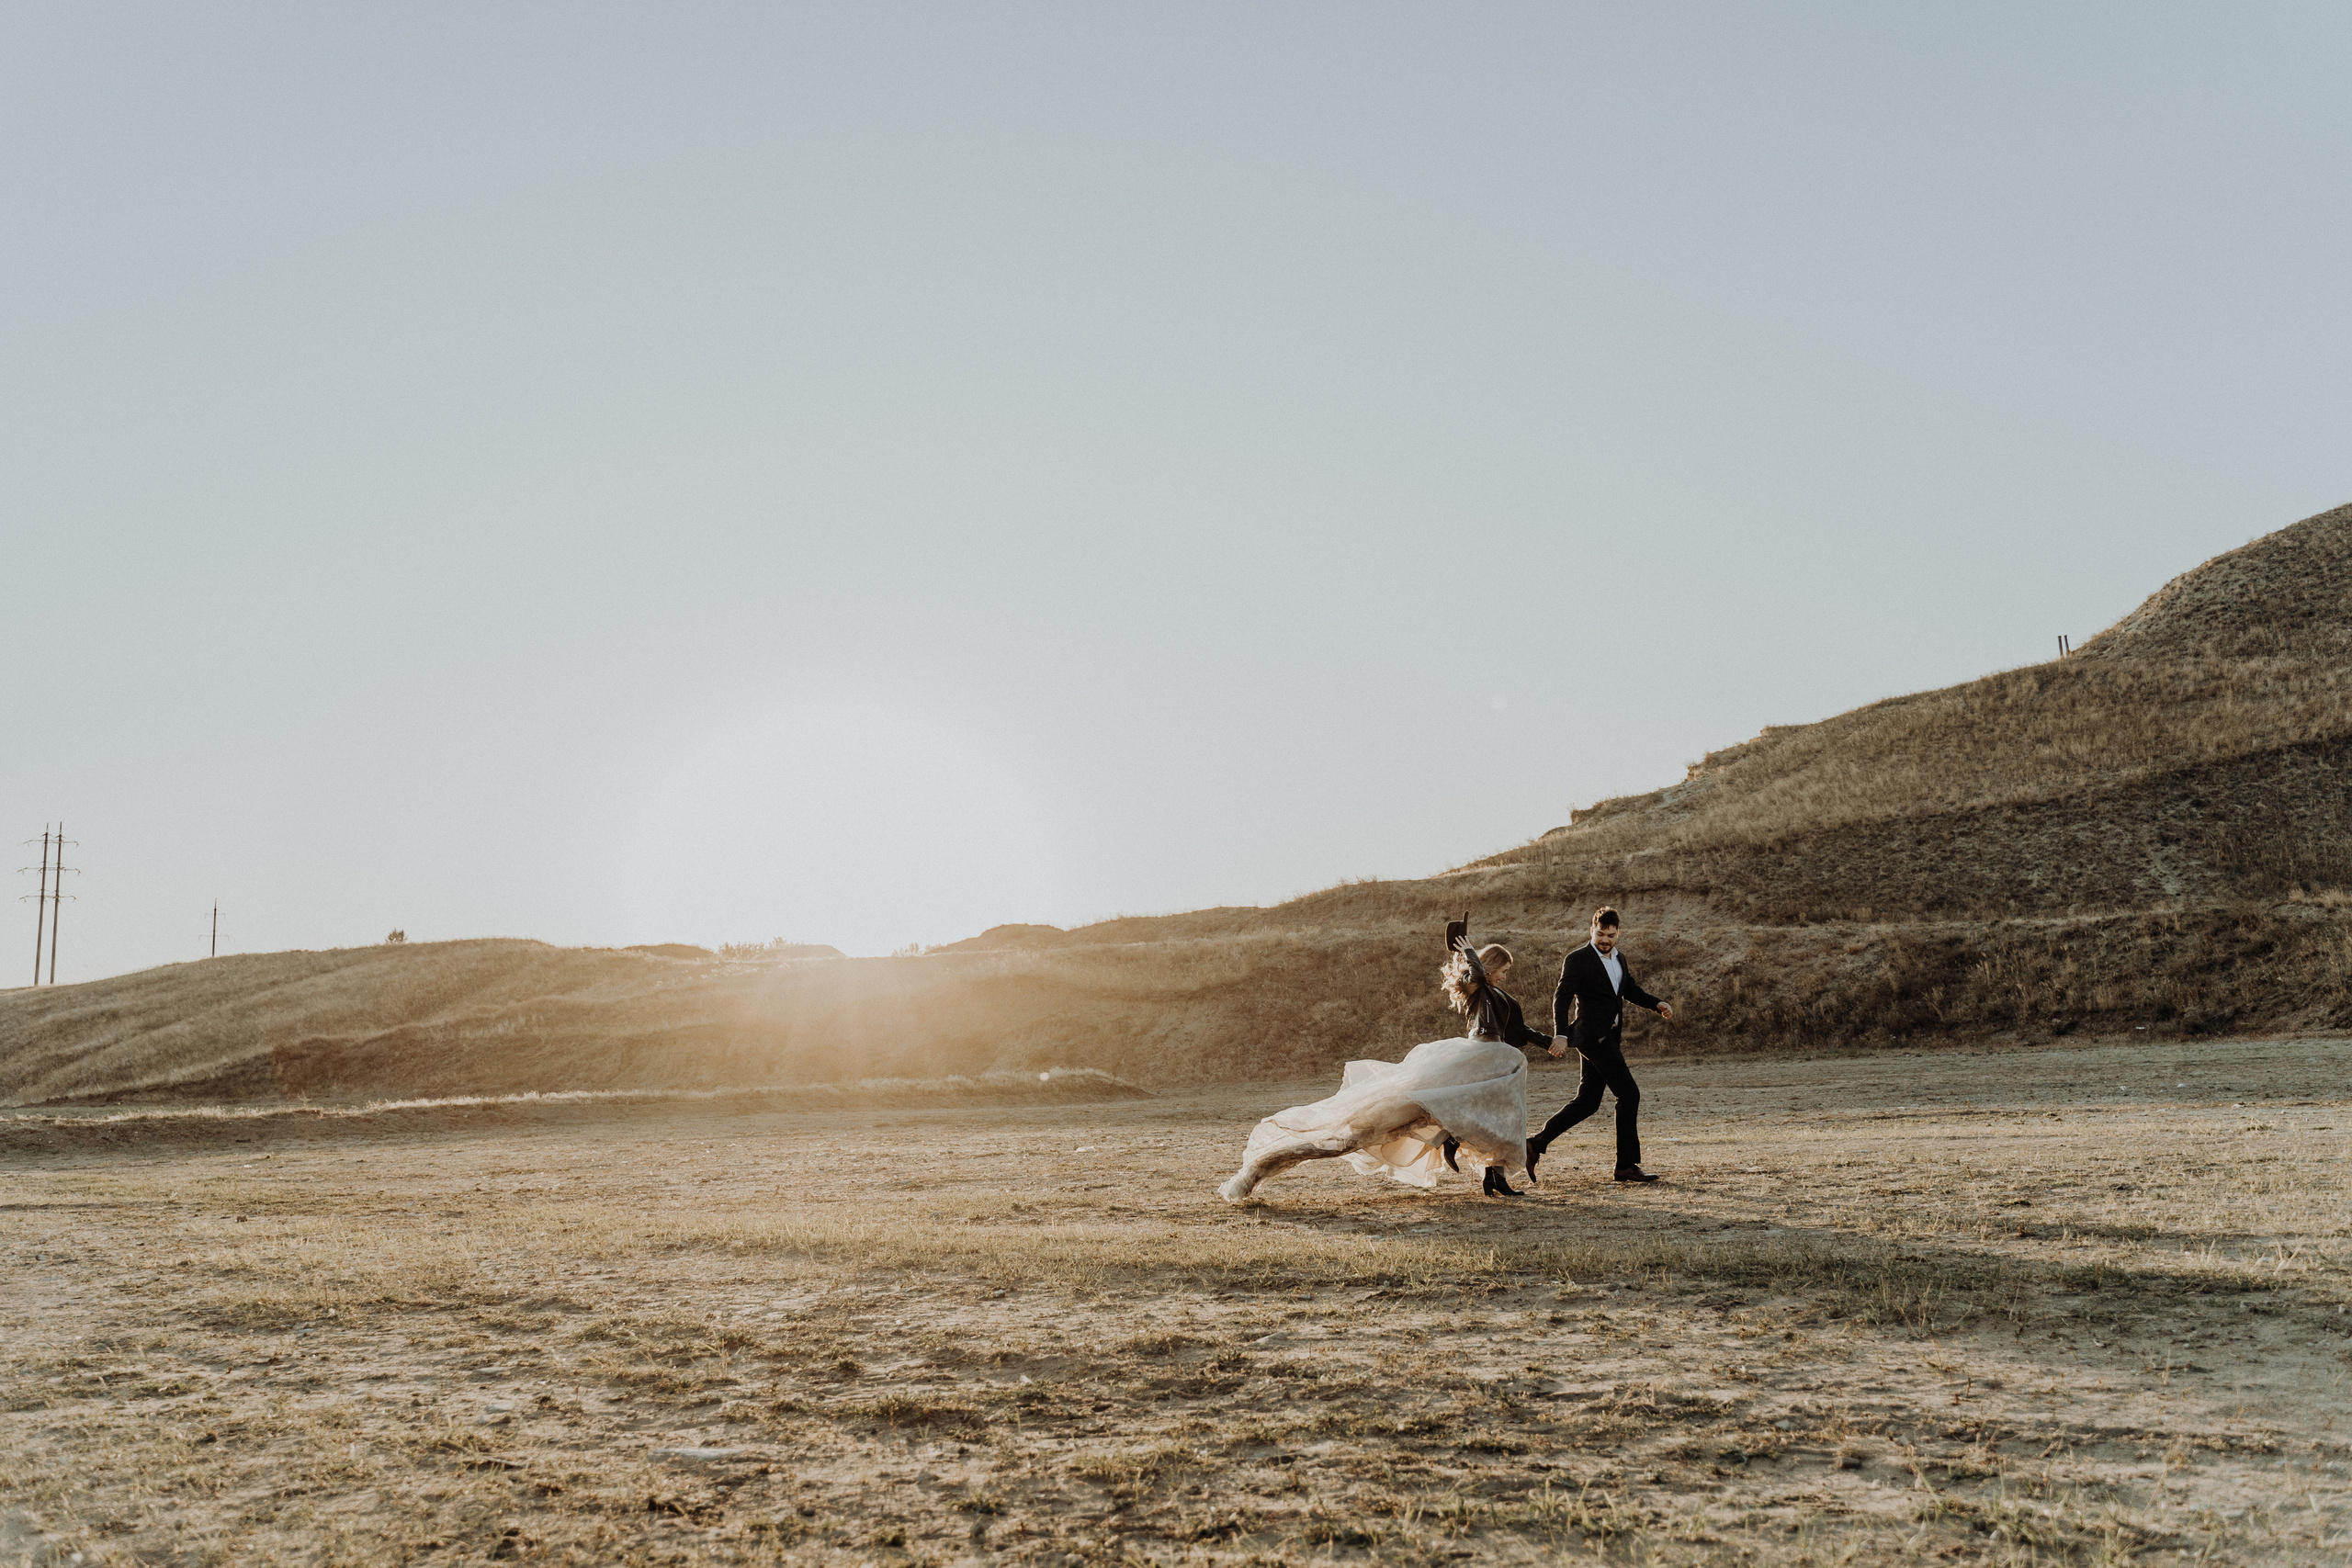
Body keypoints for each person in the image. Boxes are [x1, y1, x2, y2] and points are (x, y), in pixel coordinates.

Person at [1217, 914, 1532, 1202]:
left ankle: (1484, 1165)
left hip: (1486, 1060)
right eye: (1503, 969)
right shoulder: (1476, 988)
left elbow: (1517, 1031)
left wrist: (1552, 1041)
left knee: (1501, 1109)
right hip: (1474, 1058)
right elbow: (1474, 975)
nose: (1506, 975)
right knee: (1356, 1134)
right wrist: (1469, 952)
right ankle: (1256, 1170)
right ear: (1490, 967)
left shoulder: (1498, 996)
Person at [1527, 906, 1672, 1184]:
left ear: (1618, 933)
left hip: (1609, 1037)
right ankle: (1626, 1166)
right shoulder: (1577, 959)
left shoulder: (1620, 958)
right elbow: (1562, 998)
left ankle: (1534, 1145)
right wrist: (1561, 1033)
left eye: (1611, 934)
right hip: (1594, 1039)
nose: (1606, 939)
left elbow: (1629, 990)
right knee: (1628, 1094)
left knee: (1587, 1102)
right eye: (1601, 933)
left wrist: (1657, 1004)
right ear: (1591, 930)